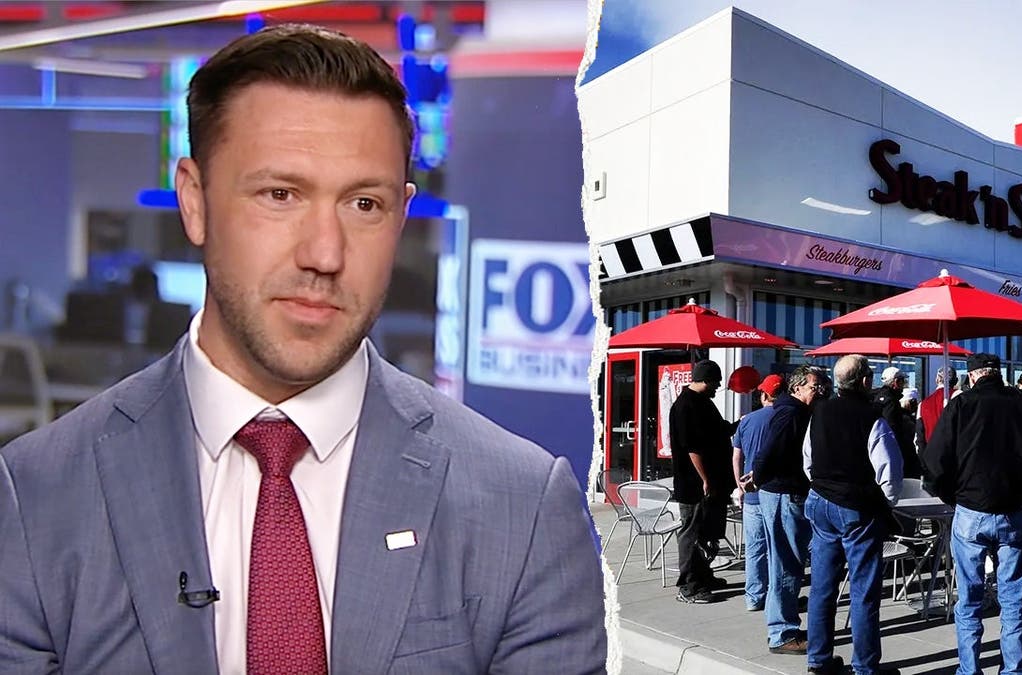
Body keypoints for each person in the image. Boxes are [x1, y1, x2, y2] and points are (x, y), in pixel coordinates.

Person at [0, 25, 606, 674]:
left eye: (364, 203)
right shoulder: (36, 496)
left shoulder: (521, 507)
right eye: (280, 195)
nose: (325, 253)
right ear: (195, 202)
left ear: (400, 217)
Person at [922, 353, 1022, 675]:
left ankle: (969, 670)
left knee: (969, 600)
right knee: (1012, 600)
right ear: (999, 374)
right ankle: (1012, 670)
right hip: (1011, 510)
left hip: (971, 509)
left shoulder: (960, 405)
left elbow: (934, 460)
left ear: (972, 377)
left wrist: (951, 495)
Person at [803, 355, 903, 675]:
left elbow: (808, 458)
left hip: (820, 499)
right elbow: (889, 472)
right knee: (863, 590)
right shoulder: (872, 417)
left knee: (822, 585)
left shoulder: (819, 411)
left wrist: (821, 484)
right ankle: (865, 667)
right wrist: (885, 504)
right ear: (864, 382)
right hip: (855, 506)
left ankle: (818, 659)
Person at [750, 367, 821, 655]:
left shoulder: (792, 411)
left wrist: (758, 475)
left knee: (786, 561)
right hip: (783, 493)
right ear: (797, 388)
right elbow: (769, 450)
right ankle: (782, 633)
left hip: (783, 492)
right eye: (815, 387)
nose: (820, 392)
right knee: (786, 563)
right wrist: (758, 475)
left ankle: (782, 625)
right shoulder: (791, 413)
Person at [669, 358, 736, 603]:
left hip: (711, 481)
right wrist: (705, 479)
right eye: (716, 382)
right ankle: (689, 585)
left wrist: (741, 425)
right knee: (691, 533)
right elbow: (692, 447)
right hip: (693, 483)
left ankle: (704, 575)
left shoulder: (703, 403)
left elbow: (718, 431)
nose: (718, 387)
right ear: (705, 380)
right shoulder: (686, 405)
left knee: (706, 532)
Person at [731, 373, 785, 613]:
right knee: (778, 548)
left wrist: (739, 486)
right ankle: (777, 595)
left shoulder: (748, 420)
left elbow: (737, 456)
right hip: (778, 492)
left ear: (764, 395)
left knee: (755, 548)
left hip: (752, 493)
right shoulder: (788, 418)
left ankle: (754, 596)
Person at [874, 366, 916, 482]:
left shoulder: (876, 397)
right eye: (903, 381)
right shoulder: (891, 402)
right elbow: (893, 429)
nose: (904, 385)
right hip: (890, 451)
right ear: (896, 382)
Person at [914, 366, 959, 462]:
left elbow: (919, 437)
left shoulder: (923, 404)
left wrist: (923, 462)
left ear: (937, 380)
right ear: (956, 381)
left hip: (932, 460)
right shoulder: (959, 397)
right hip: (955, 457)